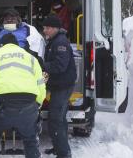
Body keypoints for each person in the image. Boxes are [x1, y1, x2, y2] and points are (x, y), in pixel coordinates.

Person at [0, 33, 46, 158]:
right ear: (17, 45)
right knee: (30, 140)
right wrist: (37, 104)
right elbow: (41, 85)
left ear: (1, 45)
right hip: (28, 104)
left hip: (2, 105)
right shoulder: (31, 58)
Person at [42, 15, 76, 158]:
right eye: (44, 28)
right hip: (58, 85)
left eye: (47, 28)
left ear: (55, 28)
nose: (44, 31)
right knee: (59, 119)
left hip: (63, 86)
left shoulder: (60, 43)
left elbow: (60, 66)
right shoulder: (54, 41)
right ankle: (59, 148)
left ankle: (64, 153)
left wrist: (42, 65)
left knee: (56, 119)